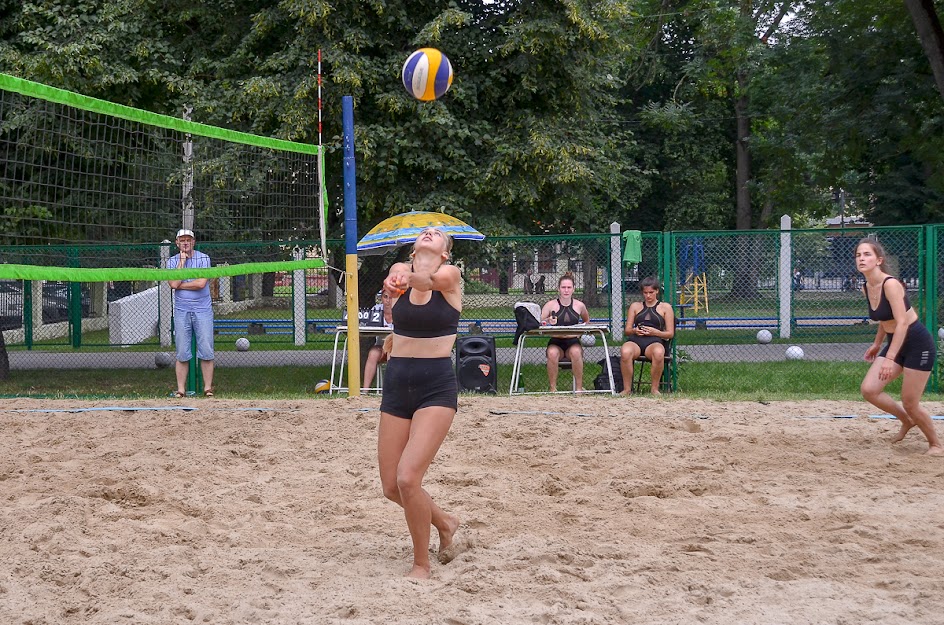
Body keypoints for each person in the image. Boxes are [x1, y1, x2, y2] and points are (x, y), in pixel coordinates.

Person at [378, 227, 462, 578]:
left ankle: (421, 564)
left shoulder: (450, 275)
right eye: (425, 232)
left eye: (437, 233)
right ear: (413, 249)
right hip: (397, 384)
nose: (430, 233)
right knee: (391, 487)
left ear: (444, 252)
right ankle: (444, 522)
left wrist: (403, 278)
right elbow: (393, 300)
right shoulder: (400, 271)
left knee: (409, 479)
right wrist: (390, 289)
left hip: (436, 388)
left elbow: (427, 284)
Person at [856, 238, 941, 455]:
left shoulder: (891, 284)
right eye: (858, 255)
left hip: (916, 343)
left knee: (910, 401)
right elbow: (886, 320)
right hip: (895, 341)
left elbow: (902, 322)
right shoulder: (866, 287)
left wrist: (891, 357)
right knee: (869, 390)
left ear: (879, 260)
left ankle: (936, 445)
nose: (861, 259)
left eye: (867, 254)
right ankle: (907, 420)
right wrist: (877, 344)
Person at [167, 228, 215, 398]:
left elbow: (201, 283)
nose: (185, 243)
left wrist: (181, 285)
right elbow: (172, 284)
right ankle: (181, 390)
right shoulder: (172, 262)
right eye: (182, 240)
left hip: (203, 309)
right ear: (177, 243)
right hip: (181, 310)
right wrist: (181, 262)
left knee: (206, 349)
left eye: (188, 240)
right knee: (182, 351)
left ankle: (208, 388)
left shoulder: (203, 258)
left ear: (193, 242)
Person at [619, 277, 675, 395]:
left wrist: (655, 332)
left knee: (659, 353)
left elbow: (670, 333)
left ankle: (654, 389)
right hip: (637, 340)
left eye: (651, 292)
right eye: (645, 293)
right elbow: (627, 330)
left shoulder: (665, 307)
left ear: (657, 291)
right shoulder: (635, 306)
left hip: (654, 340)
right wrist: (635, 331)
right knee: (625, 351)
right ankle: (627, 389)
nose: (648, 296)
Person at [540, 274, 590, 392]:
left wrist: (581, 332)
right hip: (556, 341)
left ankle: (578, 388)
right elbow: (539, 322)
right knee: (552, 353)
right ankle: (553, 388)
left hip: (573, 341)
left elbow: (587, 321)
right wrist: (548, 321)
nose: (566, 290)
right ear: (558, 289)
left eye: (569, 287)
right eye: (563, 287)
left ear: (573, 289)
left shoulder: (579, 305)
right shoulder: (550, 305)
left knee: (576, 352)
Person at [362, 290, 394, 391]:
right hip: (381, 346)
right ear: (381, 298)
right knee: (373, 353)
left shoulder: (401, 310)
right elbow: (369, 327)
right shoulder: (376, 309)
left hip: (398, 347)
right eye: (385, 297)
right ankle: (365, 391)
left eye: (391, 297)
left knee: (391, 353)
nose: (388, 301)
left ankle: (390, 389)